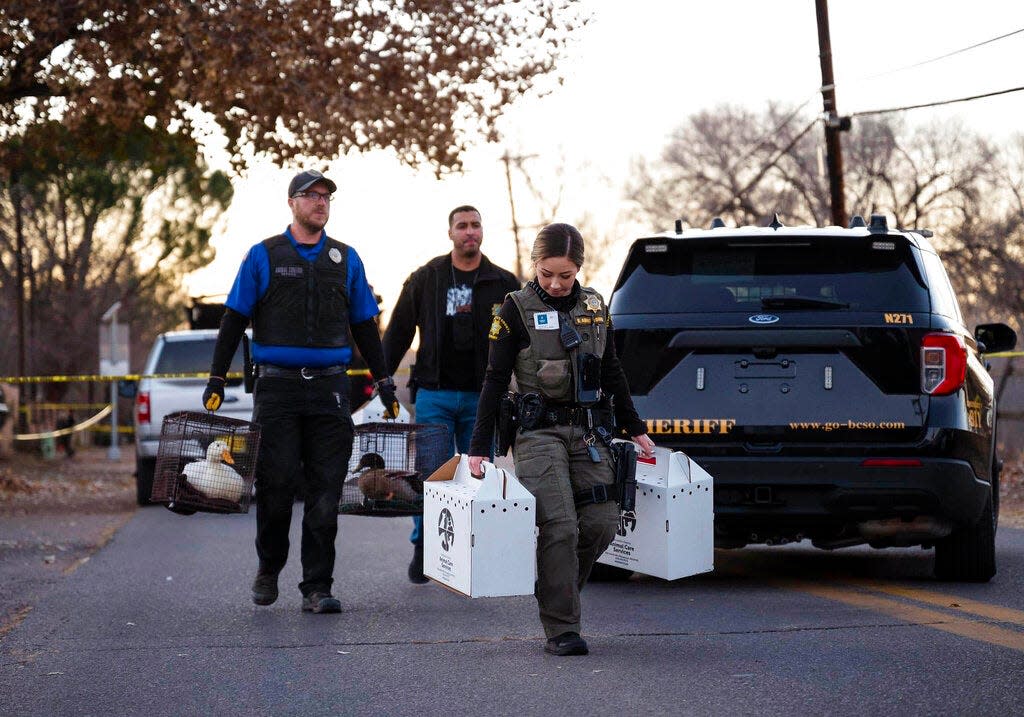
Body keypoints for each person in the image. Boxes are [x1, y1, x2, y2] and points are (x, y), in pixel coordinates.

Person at [202, 168, 399, 614]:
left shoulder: (346, 260)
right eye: (310, 195)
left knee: (326, 491)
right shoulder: (262, 256)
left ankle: (317, 586)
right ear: (291, 202)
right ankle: (269, 567)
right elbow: (233, 318)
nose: (320, 202)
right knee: (275, 489)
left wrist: (385, 383)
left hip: (330, 391)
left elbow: (364, 327)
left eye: (326, 196)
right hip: (277, 392)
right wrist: (216, 378)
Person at [467, 222, 655, 656]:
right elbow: (495, 378)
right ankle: (562, 627)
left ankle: (556, 588)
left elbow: (612, 370)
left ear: (578, 270)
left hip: (589, 431)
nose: (555, 283)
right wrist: (480, 447)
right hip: (538, 433)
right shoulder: (514, 308)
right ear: (535, 266)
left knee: (603, 523)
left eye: (565, 275)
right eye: (547, 273)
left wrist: (636, 427)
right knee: (561, 525)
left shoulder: (594, 305)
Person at [382, 205, 520, 583]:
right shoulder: (427, 279)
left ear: (482, 232)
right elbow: (397, 333)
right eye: (462, 226)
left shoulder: (503, 283)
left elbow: (522, 341)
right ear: (450, 233)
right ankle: (424, 546)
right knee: (431, 476)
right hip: (434, 395)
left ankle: (477, 551)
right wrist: (381, 381)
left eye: (476, 225)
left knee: (479, 477)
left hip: (483, 398)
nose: (470, 231)